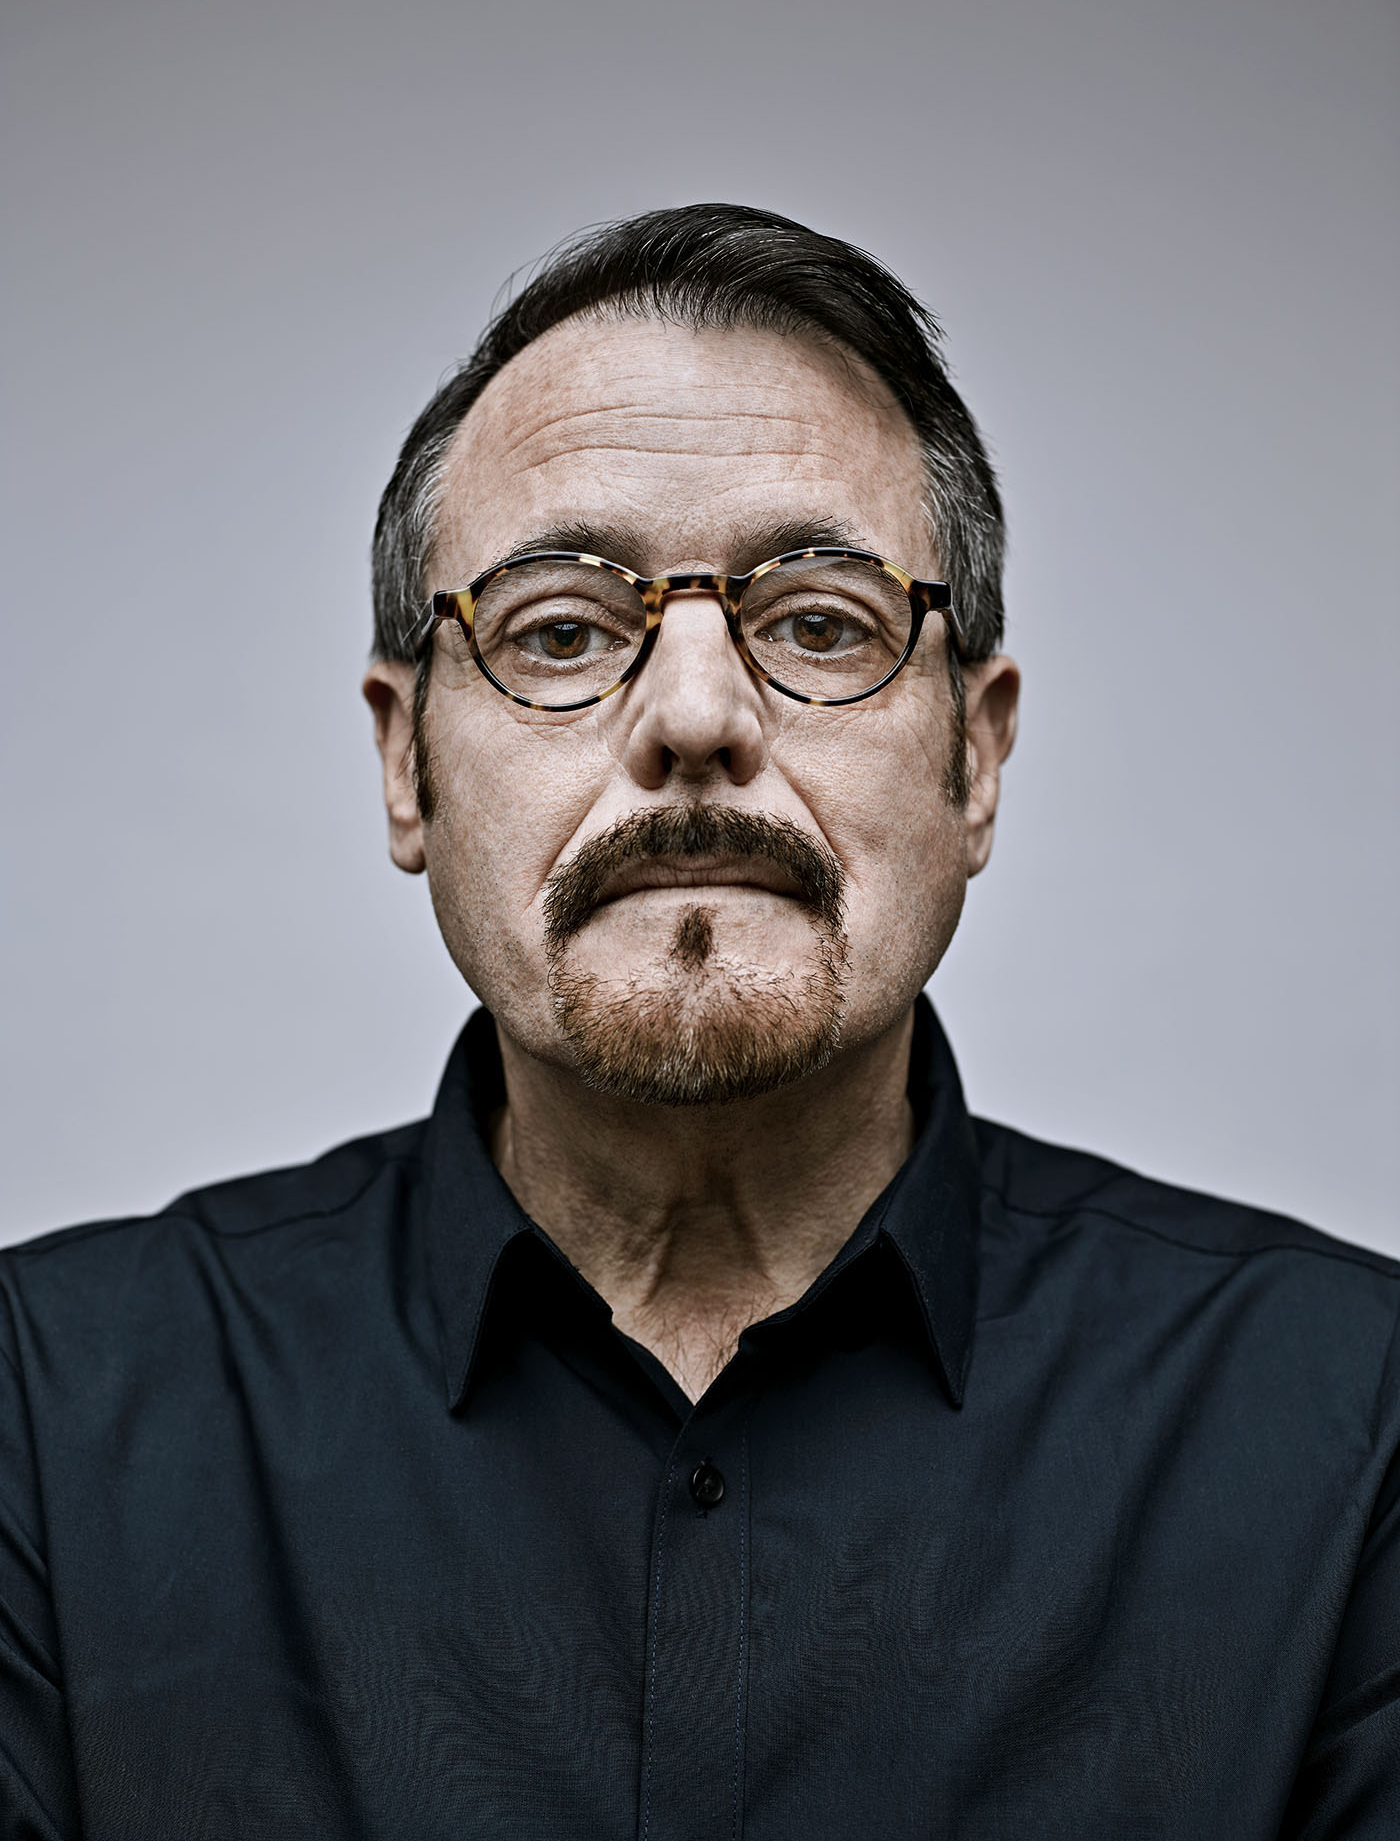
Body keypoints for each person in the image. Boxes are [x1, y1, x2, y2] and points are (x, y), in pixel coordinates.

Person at [1, 203, 1395, 1840]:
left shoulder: (1350, 1422)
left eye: (820, 622)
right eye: (560, 632)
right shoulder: (44, 1417)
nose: (695, 715)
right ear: (405, 763)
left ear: (976, 760)